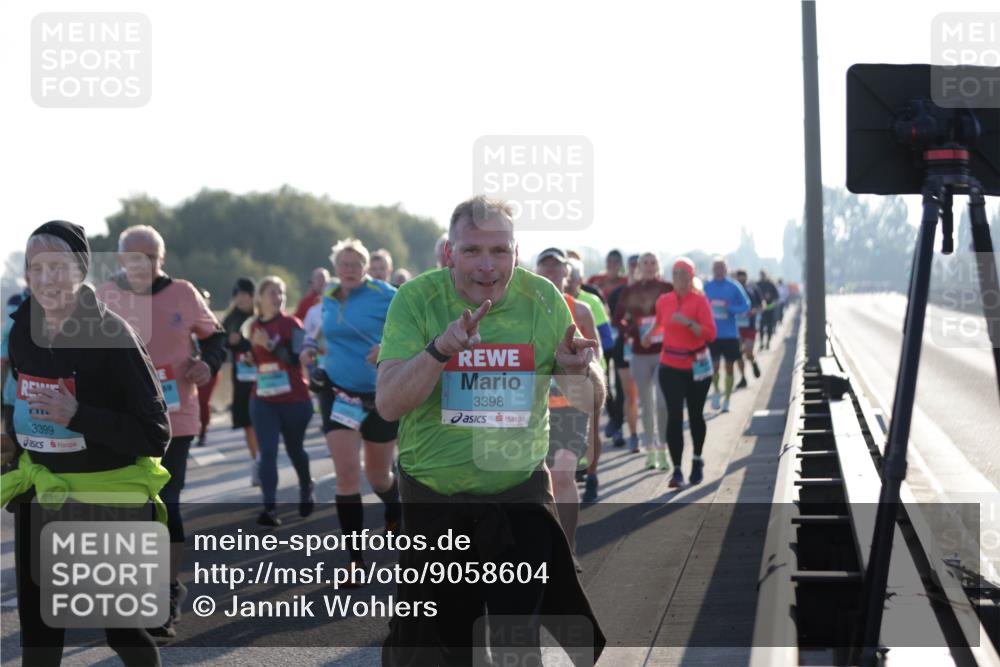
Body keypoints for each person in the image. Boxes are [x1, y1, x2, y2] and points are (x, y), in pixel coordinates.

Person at [377, 196, 606, 666]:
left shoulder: (543, 300)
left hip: (517, 499)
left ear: (516, 253)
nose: (487, 266)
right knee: (435, 652)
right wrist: (440, 350)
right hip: (433, 502)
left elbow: (592, 400)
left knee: (516, 649)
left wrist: (579, 372)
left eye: (499, 251)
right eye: (472, 251)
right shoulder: (416, 299)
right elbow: (388, 404)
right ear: (448, 254)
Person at [3, 221, 170, 665]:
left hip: (106, 498)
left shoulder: (115, 335)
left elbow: (156, 432)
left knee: (124, 634)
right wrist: (10, 443)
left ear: (80, 271)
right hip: (42, 496)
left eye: (57, 267)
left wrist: (79, 416)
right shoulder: (21, 330)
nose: (46, 279)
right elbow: (22, 402)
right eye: (36, 268)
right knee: (39, 641)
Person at [96, 225, 227, 641]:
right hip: (122, 418)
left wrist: (208, 362)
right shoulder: (102, 296)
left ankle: (165, 594)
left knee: (165, 501)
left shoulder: (183, 293)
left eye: (152, 256)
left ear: (162, 259)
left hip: (175, 415)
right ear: (121, 260)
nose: (145, 264)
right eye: (136, 256)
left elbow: (216, 337)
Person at [300, 238, 401, 578]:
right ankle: (355, 561)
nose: (349, 269)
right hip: (338, 393)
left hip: (378, 395)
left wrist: (387, 346)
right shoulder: (329, 295)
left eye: (355, 264)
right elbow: (318, 328)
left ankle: (394, 508)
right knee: (346, 475)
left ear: (365, 267)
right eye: (343, 264)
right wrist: (309, 347)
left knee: (378, 476)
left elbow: (413, 329)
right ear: (335, 268)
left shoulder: (386, 294)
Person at [535, 248, 600, 560]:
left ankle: (569, 549)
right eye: (545, 267)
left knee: (563, 475)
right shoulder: (528, 310)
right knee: (541, 480)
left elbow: (596, 358)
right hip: (536, 407)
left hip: (572, 405)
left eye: (556, 268)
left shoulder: (581, 310)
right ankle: (548, 547)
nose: (551, 273)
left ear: (568, 274)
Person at [243, 276, 315, 526]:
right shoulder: (253, 326)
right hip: (263, 398)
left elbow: (296, 360)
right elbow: (255, 356)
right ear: (260, 298)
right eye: (273, 292)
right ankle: (270, 507)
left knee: (295, 449)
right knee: (268, 451)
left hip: (294, 399)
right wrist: (250, 358)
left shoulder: (292, 323)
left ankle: (306, 486)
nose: (278, 297)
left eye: (281, 293)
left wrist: (271, 345)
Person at [642, 257, 717, 488]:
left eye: (684, 275)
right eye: (676, 274)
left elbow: (710, 334)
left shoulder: (700, 301)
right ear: (671, 277)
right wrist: (648, 334)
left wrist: (688, 323)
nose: (680, 279)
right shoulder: (664, 301)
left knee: (695, 415)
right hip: (670, 366)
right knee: (675, 417)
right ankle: (676, 470)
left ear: (691, 277)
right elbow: (661, 323)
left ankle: (697, 459)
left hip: (697, 367)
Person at [612, 252, 673, 469]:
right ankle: (650, 451)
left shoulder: (667, 288)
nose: (648, 266)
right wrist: (633, 329)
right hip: (639, 353)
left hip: (664, 352)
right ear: (639, 267)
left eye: (652, 262)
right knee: (646, 404)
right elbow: (616, 318)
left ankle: (663, 448)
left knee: (663, 403)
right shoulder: (630, 290)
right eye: (644, 263)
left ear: (658, 265)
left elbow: (678, 310)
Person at [566, 257, 612, 502]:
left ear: (579, 280)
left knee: (593, 428)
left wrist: (592, 364)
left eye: (573, 279)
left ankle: (592, 476)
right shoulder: (552, 302)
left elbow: (606, 339)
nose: (568, 283)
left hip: (593, 372)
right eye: (567, 279)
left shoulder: (590, 302)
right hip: (564, 377)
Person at [222, 277, 260, 485]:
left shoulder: (261, 316)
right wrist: (229, 341)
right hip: (241, 378)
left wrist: (244, 340)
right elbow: (220, 342)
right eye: (238, 296)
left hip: (264, 377)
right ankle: (257, 461)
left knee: (262, 421)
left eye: (245, 295)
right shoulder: (230, 319)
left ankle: (265, 459)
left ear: (253, 296)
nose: (242, 299)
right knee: (247, 423)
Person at [703, 258, 750, 413]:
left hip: (730, 334)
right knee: (714, 367)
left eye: (721, 267)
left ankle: (727, 399)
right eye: (716, 267)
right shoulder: (706, 287)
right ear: (712, 269)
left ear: (726, 269)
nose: (718, 270)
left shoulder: (733, 286)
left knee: (729, 367)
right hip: (712, 334)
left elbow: (746, 305)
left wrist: (731, 309)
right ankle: (716, 391)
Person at [195, 288, 218, 446]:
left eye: (206, 299)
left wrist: (210, 362)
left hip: (209, 367)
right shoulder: (185, 319)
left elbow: (219, 346)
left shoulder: (213, 321)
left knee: (203, 401)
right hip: (189, 368)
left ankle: (203, 431)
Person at [734, 269, 762, 387]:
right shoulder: (733, 290)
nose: (741, 278)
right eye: (739, 276)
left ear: (746, 277)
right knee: (738, 353)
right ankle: (743, 378)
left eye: (743, 276)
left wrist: (754, 311)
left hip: (750, 325)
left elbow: (762, 305)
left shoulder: (753, 289)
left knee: (748, 352)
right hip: (736, 327)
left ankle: (753, 363)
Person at [757, 270, 780, 351]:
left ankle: (768, 343)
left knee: (769, 327)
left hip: (770, 309)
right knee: (761, 327)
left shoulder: (771, 284)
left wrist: (770, 298)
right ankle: (761, 343)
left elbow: (777, 296)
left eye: (764, 274)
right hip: (761, 310)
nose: (762, 276)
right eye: (761, 274)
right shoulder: (758, 284)